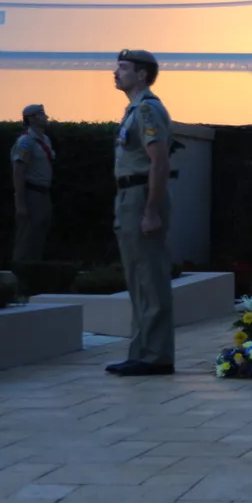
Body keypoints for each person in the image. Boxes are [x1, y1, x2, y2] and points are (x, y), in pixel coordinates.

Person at [105, 50, 176, 377]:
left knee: (149, 278)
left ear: (143, 74)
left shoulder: (147, 109)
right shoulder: (134, 110)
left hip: (140, 197)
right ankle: (143, 351)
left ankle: (155, 355)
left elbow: (159, 162)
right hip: (128, 196)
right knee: (137, 278)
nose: (115, 73)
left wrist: (150, 211)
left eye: (123, 68)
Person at [11, 104, 55, 262]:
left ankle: (34, 271)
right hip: (32, 194)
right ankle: (22, 272)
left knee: (39, 235)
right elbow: (18, 171)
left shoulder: (45, 140)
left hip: (43, 193)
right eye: (41, 114)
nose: (46, 117)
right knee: (27, 236)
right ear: (32, 118)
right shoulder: (26, 142)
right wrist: (20, 202)